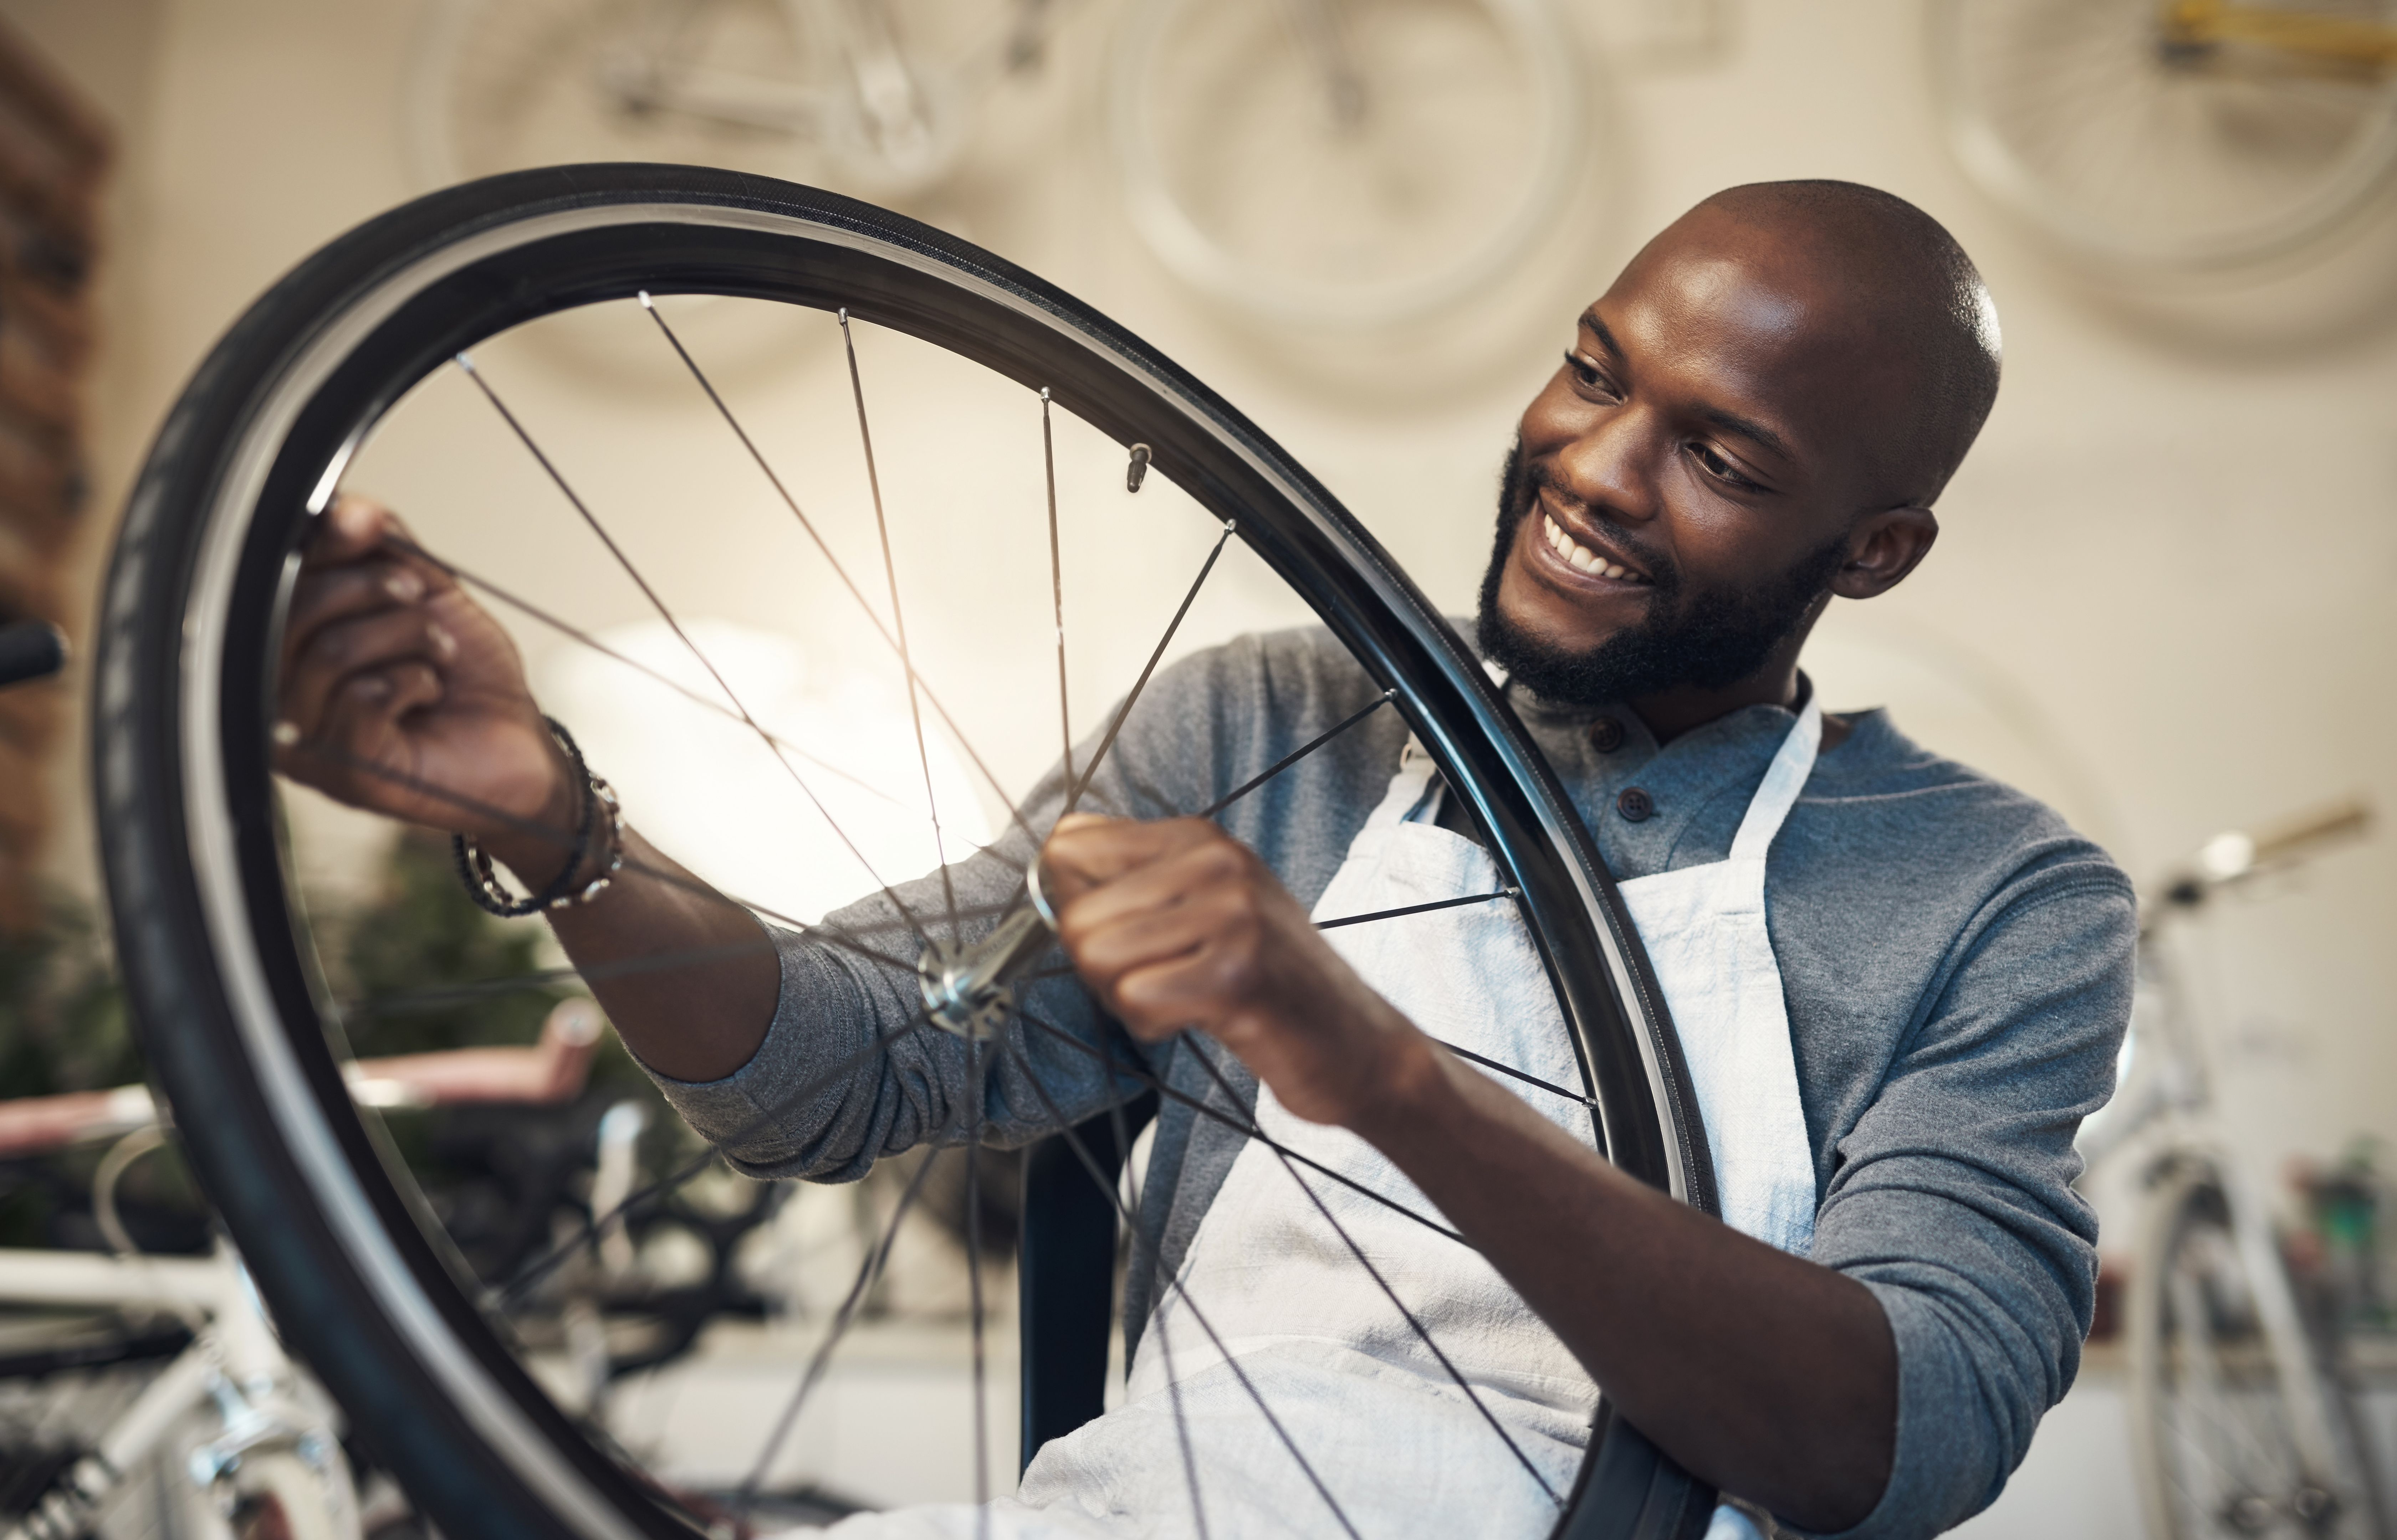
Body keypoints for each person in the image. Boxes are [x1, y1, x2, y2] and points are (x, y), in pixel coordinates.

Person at [273, 180, 2135, 1540]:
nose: (1591, 467)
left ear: (1873, 551)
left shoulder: (1993, 902)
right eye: (1590, 372)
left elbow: (1889, 1447)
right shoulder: (1256, 728)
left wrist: (1382, 1075)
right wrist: (554, 822)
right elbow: (841, 1074)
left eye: (1718, 458)